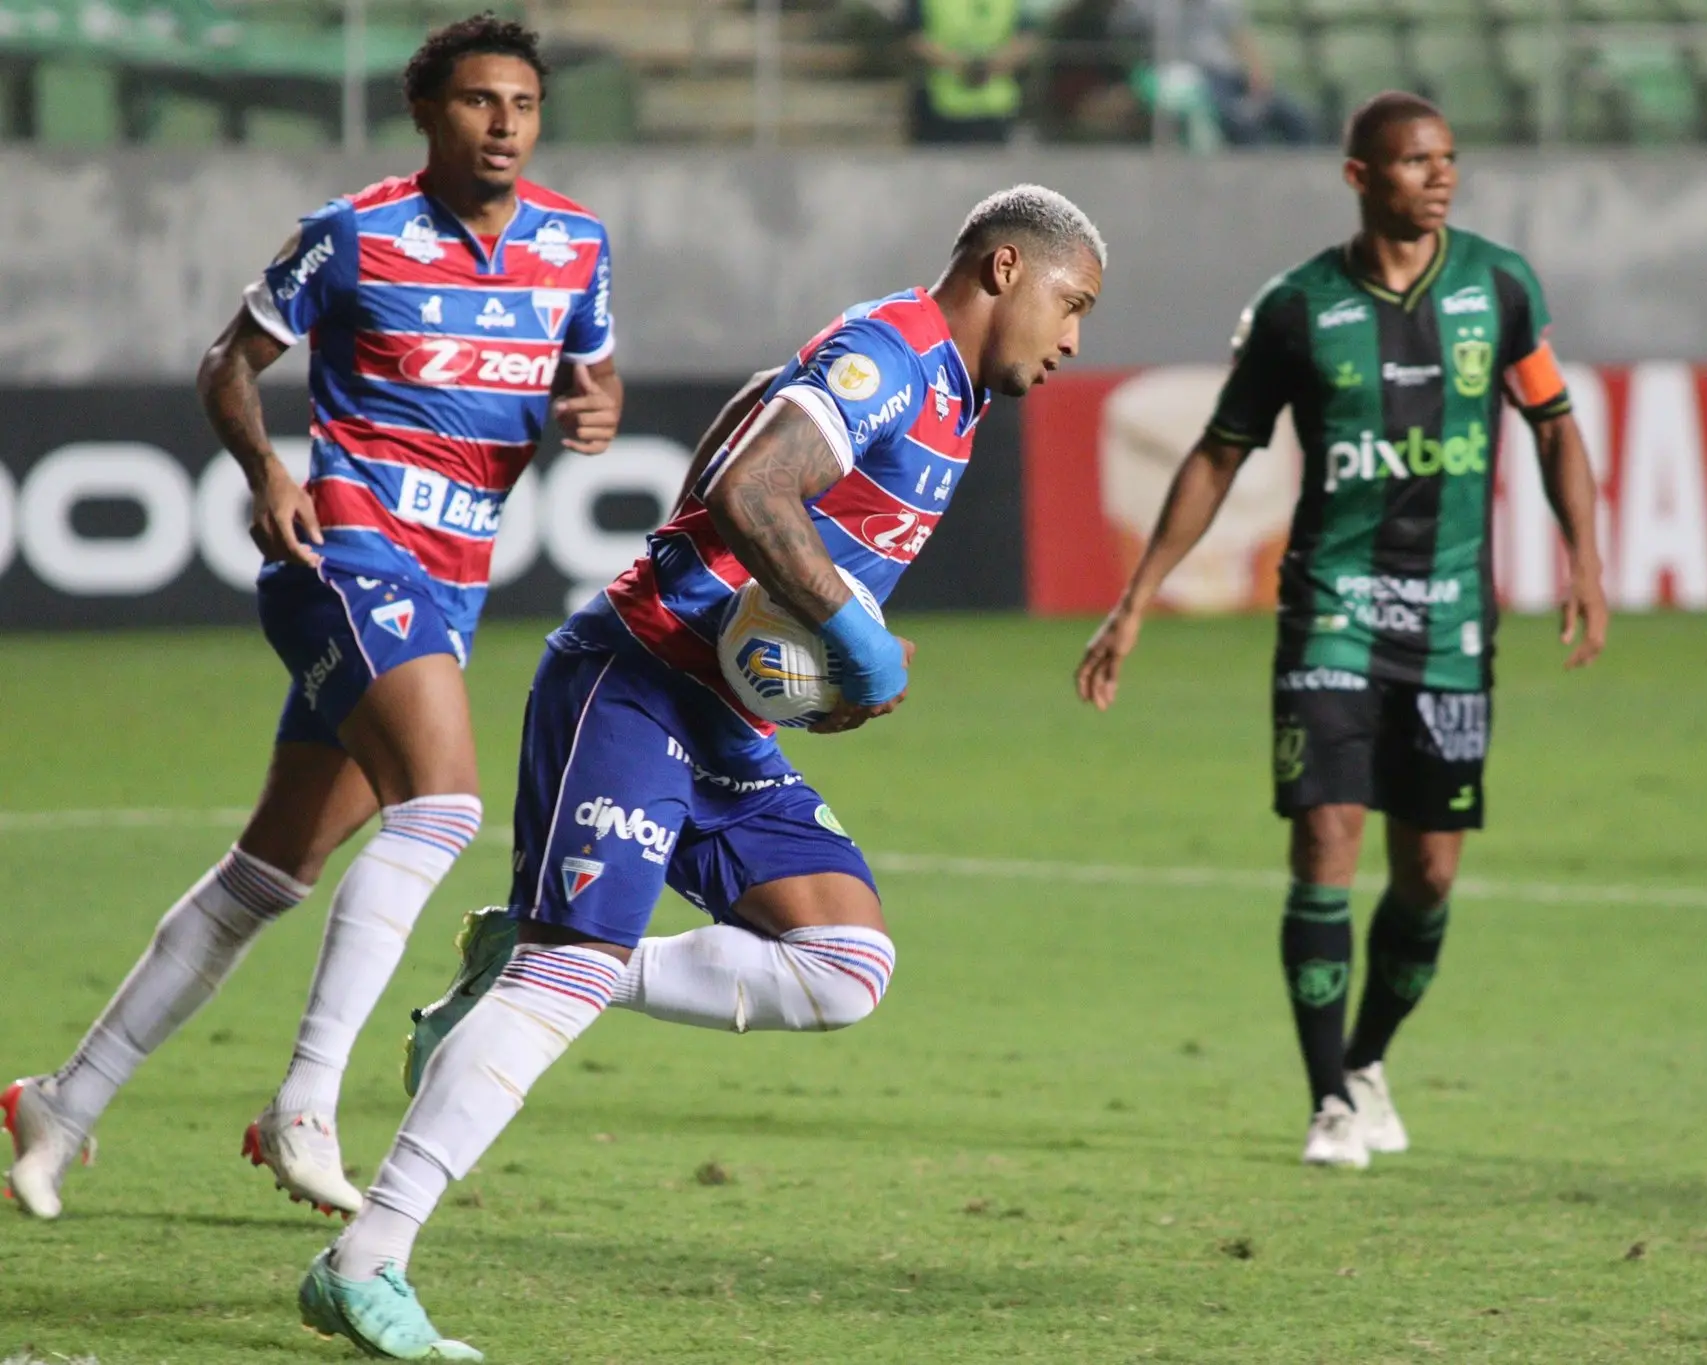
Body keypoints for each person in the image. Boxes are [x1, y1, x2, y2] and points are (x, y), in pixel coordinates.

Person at [293, 184, 1105, 1360]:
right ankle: (362, 1264)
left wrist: (815, 669)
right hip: (632, 681)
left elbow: (740, 445)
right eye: (1070, 302)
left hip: (725, 717)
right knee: (565, 978)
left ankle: (523, 958)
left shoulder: (954, 397)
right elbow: (750, 485)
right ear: (999, 270)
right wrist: (859, 637)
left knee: (845, 965)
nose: (1075, 337)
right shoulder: (893, 352)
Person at [2, 15, 623, 1222]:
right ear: (427, 114)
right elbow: (227, 362)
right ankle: (304, 1104)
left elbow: (585, 380)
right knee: (440, 806)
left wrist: (589, 414)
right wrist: (270, 474)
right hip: (345, 544)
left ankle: (60, 1103)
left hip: (451, 578)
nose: (503, 123)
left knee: (270, 874)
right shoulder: (356, 234)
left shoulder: (577, 247)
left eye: (523, 105)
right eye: (478, 102)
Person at [1075, 92, 1605, 1169]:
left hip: (1452, 619)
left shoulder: (1498, 288)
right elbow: (1220, 451)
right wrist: (1136, 599)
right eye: (1416, 162)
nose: (1440, 176)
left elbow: (1552, 424)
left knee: (1431, 876)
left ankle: (1365, 1059)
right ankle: (1326, 1101)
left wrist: (1582, 556)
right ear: (1360, 176)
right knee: (1324, 841)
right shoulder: (1297, 309)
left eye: (1448, 159)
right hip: (1333, 611)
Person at [1113, 0, 1314, 146]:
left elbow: (1242, 38)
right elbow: (1122, 28)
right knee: (1241, 122)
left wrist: (1258, 75)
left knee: (1297, 118)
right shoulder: (1151, 7)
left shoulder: (1221, 4)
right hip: (1194, 78)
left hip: (1231, 72)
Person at [905, 0, 1039, 144]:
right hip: (941, 109)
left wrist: (971, 67)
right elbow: (914, 39)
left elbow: (1027, 40)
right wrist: (980, 67)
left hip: (994, 111)